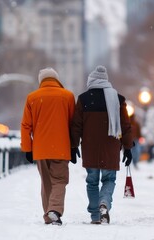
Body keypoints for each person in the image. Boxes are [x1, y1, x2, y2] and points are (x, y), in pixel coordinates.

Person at [70, 65, 133, 224]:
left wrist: (73, 145)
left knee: (92, 181)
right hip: (110, 147)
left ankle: (95, 216)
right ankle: (104, 203)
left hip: (90, 147)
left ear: (91, 81)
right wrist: (128, 148)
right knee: (109, 180)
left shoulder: (84, 99)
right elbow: (125, 126)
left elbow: (76, 125)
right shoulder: (118, 99)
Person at [20, 67, 78, 226]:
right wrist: (73, 146)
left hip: (40, 149)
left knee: (46, 183)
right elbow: (73, 124)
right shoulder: (67, 96)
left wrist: (27, 148)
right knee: (59, 180)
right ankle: (54, 211)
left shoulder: (32, 98)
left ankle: (49, 215)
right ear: (56, 80)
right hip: (61, 147)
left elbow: (26, 125)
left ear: (41, 81)